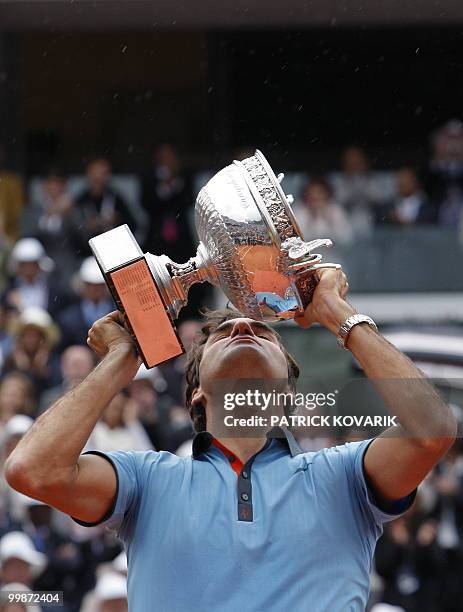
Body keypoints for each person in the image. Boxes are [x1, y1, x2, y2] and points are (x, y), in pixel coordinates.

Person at [4, 268, 457, 611]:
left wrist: (338, 315)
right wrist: (121, 360)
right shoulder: (147, 478)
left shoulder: (342, 473)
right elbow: (33, 470)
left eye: (262, 332)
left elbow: (432, 432)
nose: (243, 328)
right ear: (198, 390)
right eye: (224, 333)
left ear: (284, 390)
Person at [72, 157, 137, 251]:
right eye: (94, 175)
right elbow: (72, 233)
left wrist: (118, 220)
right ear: (88, 175)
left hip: (114, 249)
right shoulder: (80, 201)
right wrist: (87, 227)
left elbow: (133, 225)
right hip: (88, 253)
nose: (98, 178)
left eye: (102, 174)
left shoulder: (116, 198)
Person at [57, 258, 113, 349]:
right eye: (90, 285)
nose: (95, 289)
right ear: (83, 285)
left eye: (99, 285)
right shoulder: (68, 318)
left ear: (105, 286)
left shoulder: (119, 314)